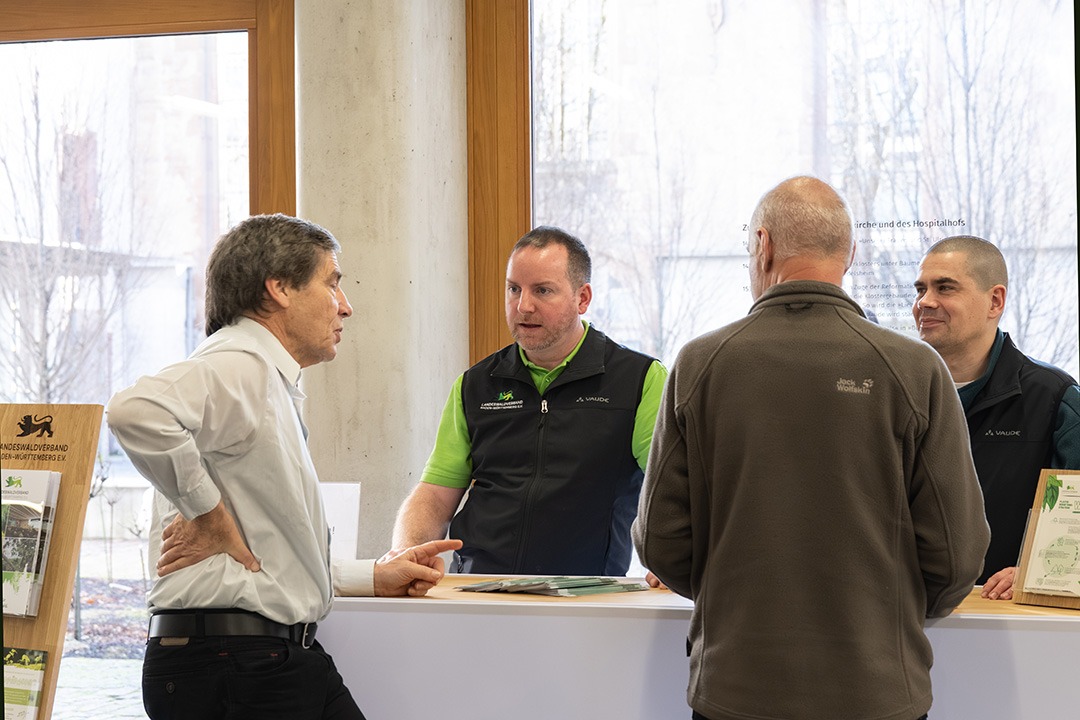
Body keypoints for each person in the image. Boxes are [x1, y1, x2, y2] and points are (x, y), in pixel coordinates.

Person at [633, 176, 990, 720]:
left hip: (735, 689)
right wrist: (889, 618)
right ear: (850, 254)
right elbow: (956, 552)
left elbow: (661, 541)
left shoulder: (700, 365)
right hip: (876, 692)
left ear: (763, 246)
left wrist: (727, 597)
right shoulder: (915, 370)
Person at [108, 214, 461, 720]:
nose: (345, 305)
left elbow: (268, 556)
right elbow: (133, 411)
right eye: (331, 283)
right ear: (279, 289)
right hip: (239, 663)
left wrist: (373, 576)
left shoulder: (261, 378)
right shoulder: (240, 365)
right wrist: (209, 515)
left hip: (260, 658)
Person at [391, 226, 667, 575]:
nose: (523, 306)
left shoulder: (640, 379)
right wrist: (405, 552)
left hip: (587, 594)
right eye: (514, 289)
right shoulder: (475, 385)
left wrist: (671, 561)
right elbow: (435, 494)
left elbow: (671, 487)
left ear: (582, 298)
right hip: (478, 590)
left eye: (542, 290)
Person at [913, 235, 1080, 601]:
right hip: (909, 614)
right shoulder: (897, 393)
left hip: (1005, 615)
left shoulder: (1055, 400)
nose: (925, 301)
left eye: (945, 287)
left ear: (995, 301)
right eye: (920, 289)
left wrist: (1037, 571)